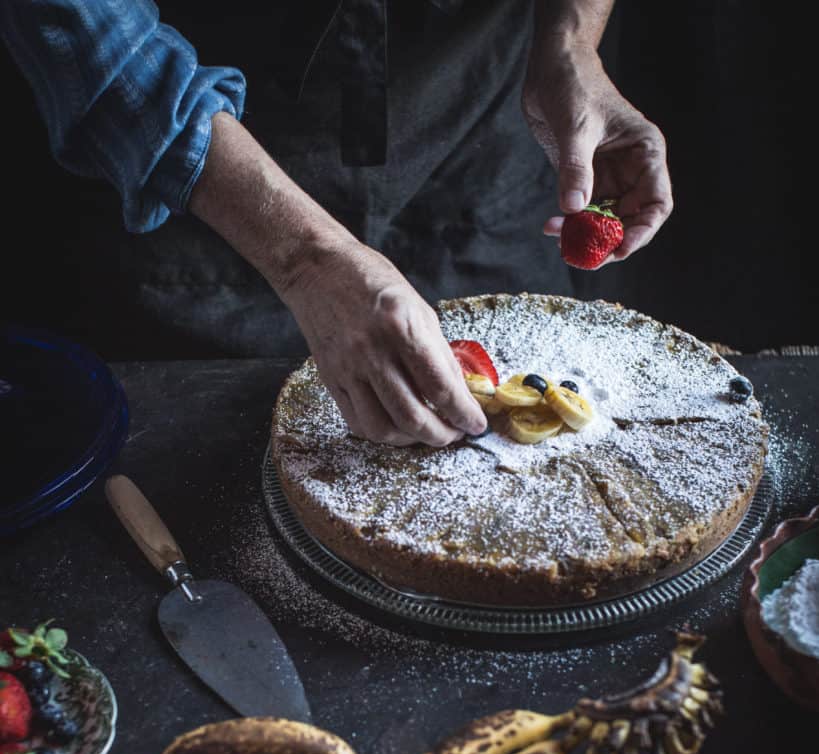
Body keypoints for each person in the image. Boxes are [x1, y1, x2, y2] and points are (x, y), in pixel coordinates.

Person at [1, 0, 672, 447]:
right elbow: (87, 30)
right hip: (206, 187)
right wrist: (305, 258)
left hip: (476, 136)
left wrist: (572, 42)